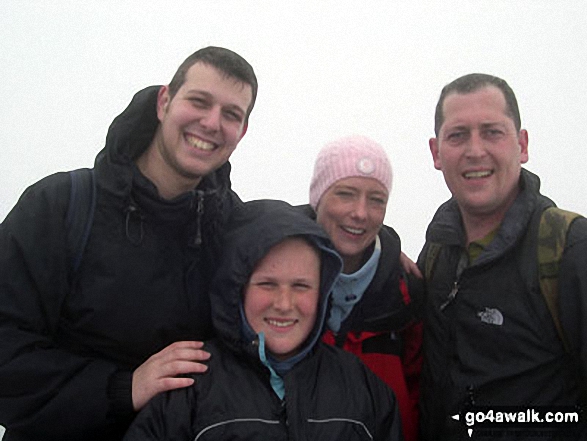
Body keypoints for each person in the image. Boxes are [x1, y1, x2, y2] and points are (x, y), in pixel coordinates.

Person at [0, 46, 257, 440]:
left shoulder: (234, 231)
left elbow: (305, 256)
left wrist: (379, 250)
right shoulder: (61, 205)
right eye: (199, 101)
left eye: (231, 115)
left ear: (241, 133)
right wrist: (125, 387)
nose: (211, 123)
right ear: (164, 101)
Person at [123, 199, 403, 440]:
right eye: (267, 284)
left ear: (323, 292)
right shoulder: (188, 387)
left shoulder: (363, 388)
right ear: (238, 288)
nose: (283, 304)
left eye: (301, 286)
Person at [418, 73, 587, 440]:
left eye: (492, 132)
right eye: (458, 135)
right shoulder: (434, 255)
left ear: (522, 145)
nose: (475, 150)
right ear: (436, 152)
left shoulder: (570, 249)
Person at [301, 135, 423, 441]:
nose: (360, 212)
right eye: (345, 194)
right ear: (318, 198)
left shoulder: (406, 295)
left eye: (376, 199)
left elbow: (424, 399)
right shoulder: (275, 286)